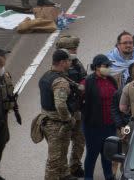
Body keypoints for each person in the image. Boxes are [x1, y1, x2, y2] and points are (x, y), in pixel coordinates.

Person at [39, 49, 77, 180]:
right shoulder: (60, 82)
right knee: (54, 158)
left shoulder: (46, 75)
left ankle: (64, 174)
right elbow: (60, 104)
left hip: (46, 120)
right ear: (62, 62)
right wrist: (68, 119)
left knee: (62, 151)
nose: (70, 63)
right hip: (57, 124)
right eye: (68, 60)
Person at [80, 55, 119, 180]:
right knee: (92, 154)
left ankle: (109, 176)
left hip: (110, 125)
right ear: (97, 67)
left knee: (108, 153)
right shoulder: (88, 82)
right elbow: (80, 101)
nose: (108, 68)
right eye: (105, 66)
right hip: (93, 126)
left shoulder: (111, 80)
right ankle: (88, 177)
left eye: (109, 66)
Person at [56, 36, 87, 177]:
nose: (75, 50)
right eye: (71, 48)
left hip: (78, 108)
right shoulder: (61, 67)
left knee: (80, 140)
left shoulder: (76, 62)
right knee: (63, 143)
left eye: (75, 48)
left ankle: (75, 165)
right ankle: (62, 171)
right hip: (66, 110)